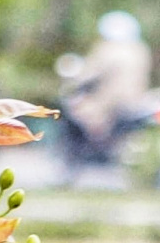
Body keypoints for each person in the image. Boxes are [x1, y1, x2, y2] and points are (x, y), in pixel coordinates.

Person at [61, 11, 155, 162]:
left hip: (108, 102)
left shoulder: (107, 49)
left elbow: (88, 74)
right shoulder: (141, 49)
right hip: (136, 101)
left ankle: (92, 146)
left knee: (80, 112)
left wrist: (75, 82)